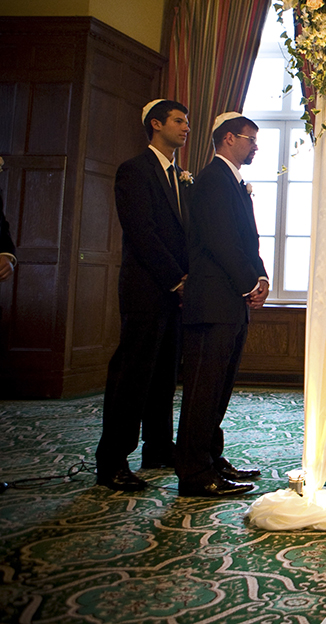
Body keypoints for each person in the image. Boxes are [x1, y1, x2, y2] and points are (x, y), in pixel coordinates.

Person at [94, 100, 190, 491]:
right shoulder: (134, 171)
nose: (186, 128)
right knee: (132, 375)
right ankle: (112, 460)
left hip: (175, 293)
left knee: (165, 374)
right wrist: (175, 278)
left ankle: (158, 448)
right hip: (146, 289)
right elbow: (141, 232)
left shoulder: (181, 177)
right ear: (156, 124)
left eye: (187, 122)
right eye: (178, 121)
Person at [175, 113, 268, 497]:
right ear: (228, 138)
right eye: (251, 139)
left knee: (220, 388)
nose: (255, 146)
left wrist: (261, 277)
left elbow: (249, 240)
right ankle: (194, 473)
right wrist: (249, 282)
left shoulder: (233, 182)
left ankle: (212, 458)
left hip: (230, 303)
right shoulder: (213, 179)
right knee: (203, 391)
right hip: (213, 302)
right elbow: (221, 241)